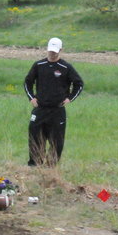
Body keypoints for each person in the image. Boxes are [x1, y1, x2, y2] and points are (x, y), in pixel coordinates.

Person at [24, 37, 84, 167]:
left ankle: (51, 167)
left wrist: (69, 98)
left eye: (55, 51)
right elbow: (28, 82)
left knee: (57, 141)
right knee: (34, 136)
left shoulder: (66, 67)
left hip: (57, 110)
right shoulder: (39, 65)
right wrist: (31, 98)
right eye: (50, 51)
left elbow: (79, 84)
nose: (52, 53)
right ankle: (35, 164)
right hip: (40, 108)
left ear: (60, 50)